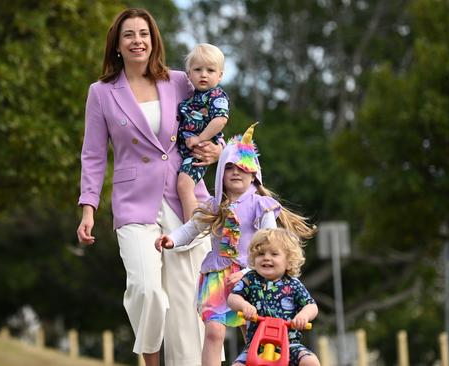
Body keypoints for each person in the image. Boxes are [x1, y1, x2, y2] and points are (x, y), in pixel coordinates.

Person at [76, 8, 224, 366]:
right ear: (117, 44)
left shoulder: (178, 81)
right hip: (133, 204)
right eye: (129, 34)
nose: (137, 40)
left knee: (189, 306)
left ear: (153, 40)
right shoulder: (101, 93)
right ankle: (151, 361)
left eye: (144, 33)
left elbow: (213, 115)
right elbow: (94, 156)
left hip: (185, 200)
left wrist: (218, 150)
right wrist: (88, 209)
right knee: (147, 290)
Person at [155, 124, 316, 366]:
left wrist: (249, 272)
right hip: (217, 277)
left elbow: (271, 241)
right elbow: (191, 228)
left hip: (252, 279)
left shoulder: (261, 205)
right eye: (229, 167)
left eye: (243, 168)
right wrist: (172, 239)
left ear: (254, 174)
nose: (236, 172)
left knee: (255, 337)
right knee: (214, 332)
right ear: (220, 173)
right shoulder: (213, 206)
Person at [227, 228, 320, 366]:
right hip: (256, 345)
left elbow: (311, 306)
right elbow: (232, 298)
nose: (266, 257)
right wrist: (244, 306)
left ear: (289, 261)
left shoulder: (293, 284)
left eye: (274, 254)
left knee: (310, 361)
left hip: (289, 344)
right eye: (260, 254)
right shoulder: (250, 279)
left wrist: (303, 316)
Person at [177, 43, 229, 221]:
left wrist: (200, 138)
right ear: (189, 74)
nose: (204, 74)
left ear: (220, 75)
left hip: (200, 150)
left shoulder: (216, 96)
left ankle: (190, 227)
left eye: (210, 70)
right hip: (186, 151)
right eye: (198, 69)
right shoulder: (191, 97)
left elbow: (220, 120)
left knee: (184, 185)